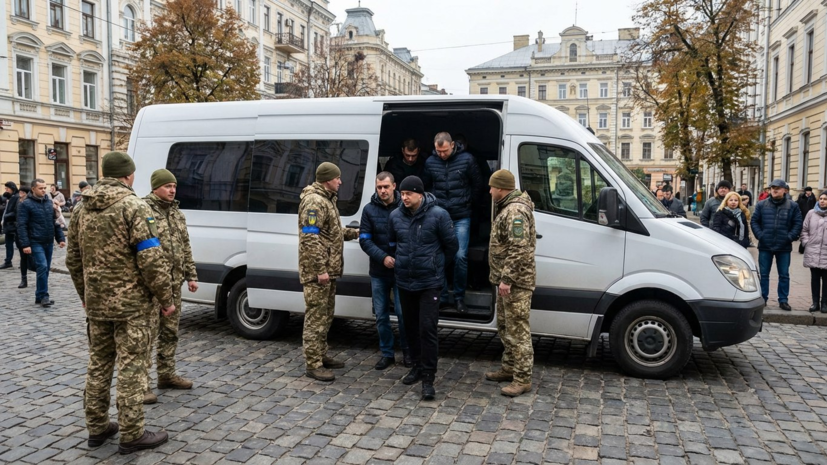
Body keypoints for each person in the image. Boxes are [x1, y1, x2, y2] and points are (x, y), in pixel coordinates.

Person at [66, 151, 175, 454]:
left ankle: (97, 428)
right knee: (132, 366)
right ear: (128, 175)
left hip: (98, 305)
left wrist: (85, 296)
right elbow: (151, 259)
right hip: (133, 307)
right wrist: (166, 298)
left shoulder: (81, 208)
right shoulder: (134, 207)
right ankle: (131, 432)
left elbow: (72, 259)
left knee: (99, 364)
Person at [389, 175, 458, 400]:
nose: (404, 197)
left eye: (409, 193)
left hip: (429, 282)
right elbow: (393, 243)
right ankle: (417, 367)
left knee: (427, 329)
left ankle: (428, 377)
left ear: (420, 193)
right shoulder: (395, 216)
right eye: (402, 193)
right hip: (405, 281)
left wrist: (435, 266)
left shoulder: (439, 215)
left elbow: (452, 246)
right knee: (409, 328)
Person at [299, 162, 360, 382]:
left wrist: (353, 233)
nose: (340, 181)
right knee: (315, 317)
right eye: (338, 178)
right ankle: (313, 364)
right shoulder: (314, 202)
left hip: (329, 271)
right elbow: (310, 238)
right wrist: (320, 270)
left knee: (325, 315)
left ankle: (321, 355)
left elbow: (331, 232)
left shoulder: (327, 199)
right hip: (318, 273)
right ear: (328, 179)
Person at [142, 169, 199, 404]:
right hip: (152, 286)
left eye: (174, 186)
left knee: (170, 332)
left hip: (174, 283)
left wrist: (191, 275)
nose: (172, 190)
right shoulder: (144, 210)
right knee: (147, 335)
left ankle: (166, 374)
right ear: (155, 187)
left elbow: (185, 246)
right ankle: (141, 385)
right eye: (167, 186)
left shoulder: (176, 213)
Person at [484, 170, 536, 398]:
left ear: (501, 189)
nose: (490, 191)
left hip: (515, 284)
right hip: (508, 283)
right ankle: (509, 368)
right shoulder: (508, 207)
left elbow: (519, 248)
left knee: (518, 331)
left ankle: (522, 379)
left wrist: (507, 279)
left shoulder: (515, 211)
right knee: (505, 327)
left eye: (492, 187)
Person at [422, 132, 482, 313]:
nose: (442, 154)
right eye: (438, 151)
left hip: (461, 215)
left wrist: (468, 201)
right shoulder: (430, 162)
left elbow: (478, 184)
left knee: (460, 256)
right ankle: (442, 296)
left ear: (453, 145)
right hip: (438, 216)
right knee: (438, 257)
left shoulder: (467, 160)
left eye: (445, 151)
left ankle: (459, 297)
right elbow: (425, 186)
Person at [359, 172, 411, 370]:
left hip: (401, 270)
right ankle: (387, 353)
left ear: (394, 186)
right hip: (379, 271)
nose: (382, 191)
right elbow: (365, 240)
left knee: (403, 313)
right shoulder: (369, 210)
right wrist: (383, 257)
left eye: (386, 187)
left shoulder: (404, 206)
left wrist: (400, 257)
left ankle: (407, 352)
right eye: (379, 187)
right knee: (381, 315)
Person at [751, 178, 803, 311]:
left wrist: (790, 237)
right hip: (765, 245)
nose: (774, 190)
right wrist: (760, 236)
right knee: (764, 274)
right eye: (772, 187)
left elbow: (798, 223)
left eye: (778, 188)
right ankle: (763, 298)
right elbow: (754, 221)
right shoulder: (762, 205)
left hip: (784, 246)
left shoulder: (792, 206)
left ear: (785, 190)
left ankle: (783, 300)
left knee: (784, 274)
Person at [17, 179, 66, 308]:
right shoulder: (25, 204)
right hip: (35, 241)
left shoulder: (49, 203)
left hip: (48, 241)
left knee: (44, 269)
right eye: (41, 188)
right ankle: (44, 295)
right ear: (33, 189)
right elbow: (21, 226)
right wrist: (25, 244)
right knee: (42, 266)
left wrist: (60, 238)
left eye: (45, 188)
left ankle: (39, 295)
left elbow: (54, 222)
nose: (44, 190)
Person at [801, 192, 827, 314]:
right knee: (815, 279)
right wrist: (806, 242)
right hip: (813, 251)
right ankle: (815, 303)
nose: (822, 201)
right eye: (821, 198)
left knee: (826, 280)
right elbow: (805, 229)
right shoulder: (811, 213)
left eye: (825, 199)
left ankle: (825, 304)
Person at [14, 187, 32, 288]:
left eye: (22, 192)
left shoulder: (29, 202)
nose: (20, 193)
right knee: (23, 257)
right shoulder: (18, 201)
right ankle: (24, 279)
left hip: (31, 233)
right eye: (20, 192)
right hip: (20, 232)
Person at [1, 182, 20, 269]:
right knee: (8, 244)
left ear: (12, 188)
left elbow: (16, 211)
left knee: (19, 244)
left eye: (7, 188)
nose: (6, 190)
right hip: (9, 224)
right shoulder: (10, 197)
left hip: (13, 224)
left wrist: (6, 217)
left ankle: (25, 261)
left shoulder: (16, 197)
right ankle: (8, 261)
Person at [796, 187, 817, 255]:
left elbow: (814, 206)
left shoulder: (813, 197)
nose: (808, 192)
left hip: (811, 216)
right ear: (805, 191)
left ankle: (807, 248)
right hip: (802, 216)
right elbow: (798, 205)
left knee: (810, 232)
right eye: (807, 191)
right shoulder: (802, 197)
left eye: (810, 191)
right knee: (803, 232)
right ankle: (801, 248)